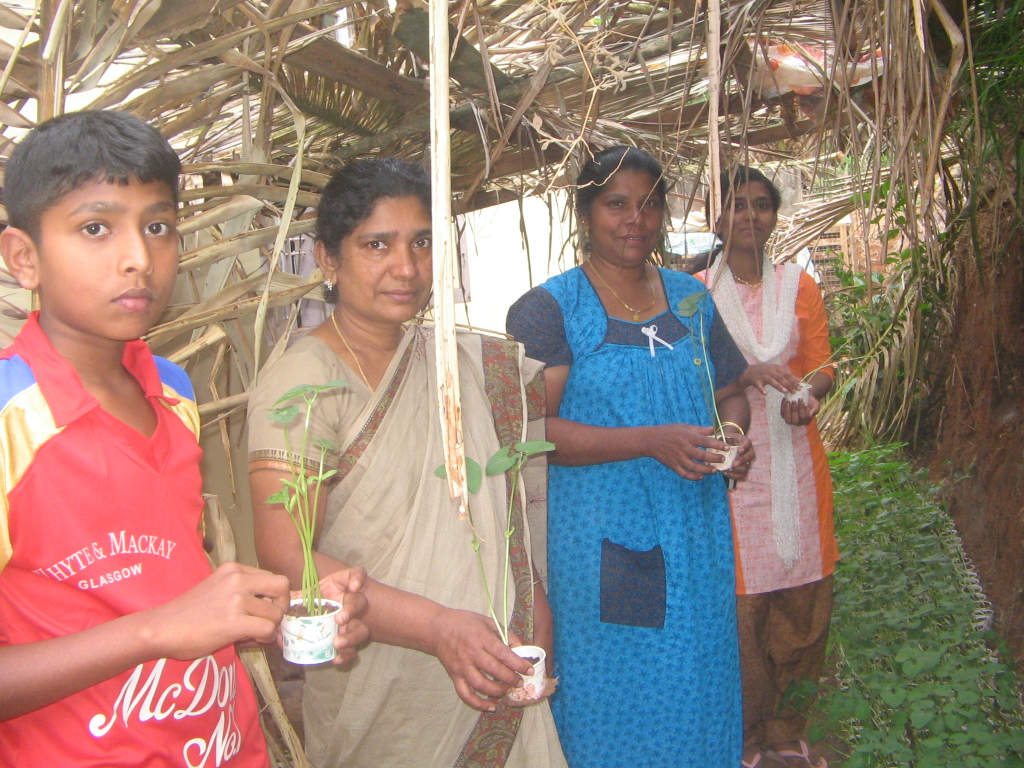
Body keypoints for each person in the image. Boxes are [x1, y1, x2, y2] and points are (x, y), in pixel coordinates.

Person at [0, 110, 369, 767]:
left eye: (159, 226)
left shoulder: (172, 392)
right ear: (24, 258)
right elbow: (161, 624)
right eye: (95, 228)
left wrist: (271, 622)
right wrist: (154, 633)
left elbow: (167, 592)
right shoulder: (10, 420)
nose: (139, 258)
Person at [247, 157, 567, 768]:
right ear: (327, 260)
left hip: (493, 655)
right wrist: (438, 627)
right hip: (383, 685)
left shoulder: (458, 363)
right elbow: (288, 555)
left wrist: (534, 604)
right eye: (377, 245)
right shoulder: (303, 382)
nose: (407, 267)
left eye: (421, 242)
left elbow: (500, 512)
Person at [506, 145, 753, 768]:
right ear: (585, 213)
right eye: (616, 204)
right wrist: (649, 440)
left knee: (698, 672)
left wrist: (732, 434)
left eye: (648, 204)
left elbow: (730, 391)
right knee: (618, 684)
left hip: (696, 531)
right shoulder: (550, 310)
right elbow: (534, 431)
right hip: (604, 543)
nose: (634, 220)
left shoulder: (691, 299)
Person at [702, 166, 837, 768]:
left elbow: (822, 364)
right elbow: (689, 379)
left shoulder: (799, 286)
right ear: (717, 216)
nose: (750, 216)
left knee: (804, 598)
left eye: (762, 205)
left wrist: (808, 393)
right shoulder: (693, 293)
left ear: (776, 216)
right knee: (743, 606)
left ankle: (788, 729)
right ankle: (749, 735)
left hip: (797, 467)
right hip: (732, 465)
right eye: (737, 205)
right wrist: (744, 378)